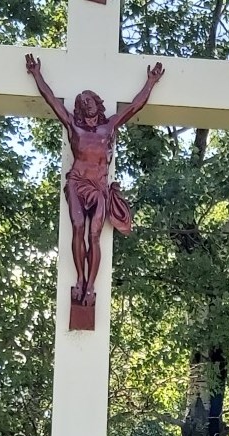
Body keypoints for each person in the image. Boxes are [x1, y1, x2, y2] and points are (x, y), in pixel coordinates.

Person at [25, 54, 164, 308]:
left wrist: (151, 82)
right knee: (78, 225)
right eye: (83, 102)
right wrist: (37, 75)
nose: (87, 104)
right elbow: (52, 100)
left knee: (94, 234)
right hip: (77, 182)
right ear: (79, 107)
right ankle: (79, 278)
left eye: (90, 101)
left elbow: (135, 106)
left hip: (99, 186)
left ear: (97, 104)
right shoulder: (73, 127)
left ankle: (90, 285)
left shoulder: (109, 127)